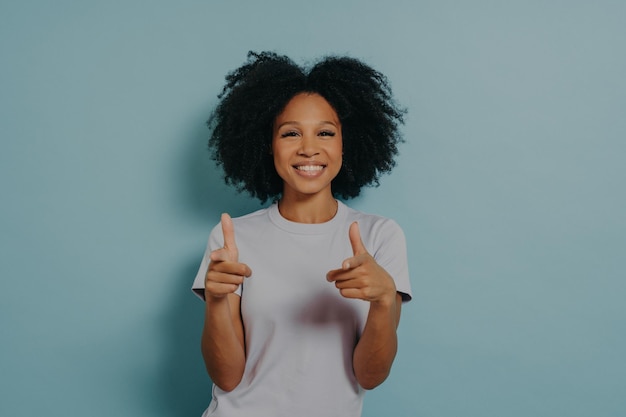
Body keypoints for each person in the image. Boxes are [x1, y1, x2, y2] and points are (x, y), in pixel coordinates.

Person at [192, 51, 412, 417]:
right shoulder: (231, 239)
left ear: (346, 143)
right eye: (290, 133)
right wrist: (215, 301)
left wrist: (384, 299)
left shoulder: (380, 236)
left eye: (325, 132)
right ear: (268, 144)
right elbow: (227, 378)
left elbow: (370, 376)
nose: (309, 148)